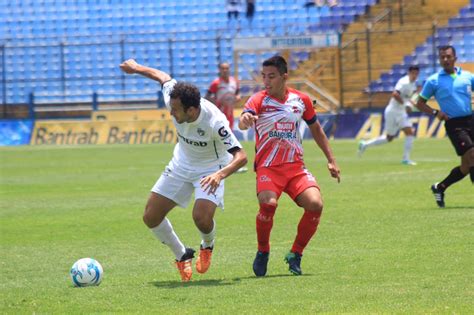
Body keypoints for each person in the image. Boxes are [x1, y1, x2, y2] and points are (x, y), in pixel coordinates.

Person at [119, 59, 248, 282]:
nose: (171, 113)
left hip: (210, 169)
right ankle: (181, 255)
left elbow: (242, 157)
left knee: (201, 219)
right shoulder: (174, 96)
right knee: (151, 217)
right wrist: (136, 68)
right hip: (181, 164)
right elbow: (163, 77)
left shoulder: (214, 121)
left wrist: (220, 174)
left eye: (176, 110)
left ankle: (207, 245)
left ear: (192, 109)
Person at [238, 55, 341, 277]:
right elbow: (245, 115)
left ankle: (296, 254)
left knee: (315, 204)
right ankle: (263, 251)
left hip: (295, 167)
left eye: (272, 76)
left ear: (285, 76)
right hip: (268, 167)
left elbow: (316, 130)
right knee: (268, 204)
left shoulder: (301, 100)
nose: (266, 81)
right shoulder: (259, 99)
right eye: (264, 76)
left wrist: (331, 160)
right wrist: (245, 119)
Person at [415, 45, 473, 208]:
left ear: (455, 58)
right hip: (454, 124)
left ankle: (440, 187)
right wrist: (435, 112)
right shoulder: (434, 80)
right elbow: (419, 103)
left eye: (448, 56)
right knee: (473, 155)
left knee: (466, 166)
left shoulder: (468, 76)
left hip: (471, 120)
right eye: (442, 57)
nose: (445, 60)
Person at [358, 66, 421, 165]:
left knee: (409, 132)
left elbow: (410, 98)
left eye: (416, 74)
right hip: (392, 112)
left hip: (401, 113)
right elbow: (395, 94)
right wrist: (405, 105)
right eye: (413, 73)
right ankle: (365, 144)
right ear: (409, 73)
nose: (414, 76)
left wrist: (410, 104)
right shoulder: (403, 82)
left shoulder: (413, 85)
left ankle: (406, 159)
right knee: (389, 138)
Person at [206, 62, 247, 173]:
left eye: (227, 68)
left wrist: (237, 98)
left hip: (230, 114)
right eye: (223, 68)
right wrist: (216, 102)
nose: (225, 70)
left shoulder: (234, 82)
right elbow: (207, 96)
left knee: (228, 139)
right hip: (219, 115)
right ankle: (230, 164)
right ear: (219, 70)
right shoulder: (216, 83)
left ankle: (231, 163)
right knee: (224, 139)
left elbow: (238, 93)